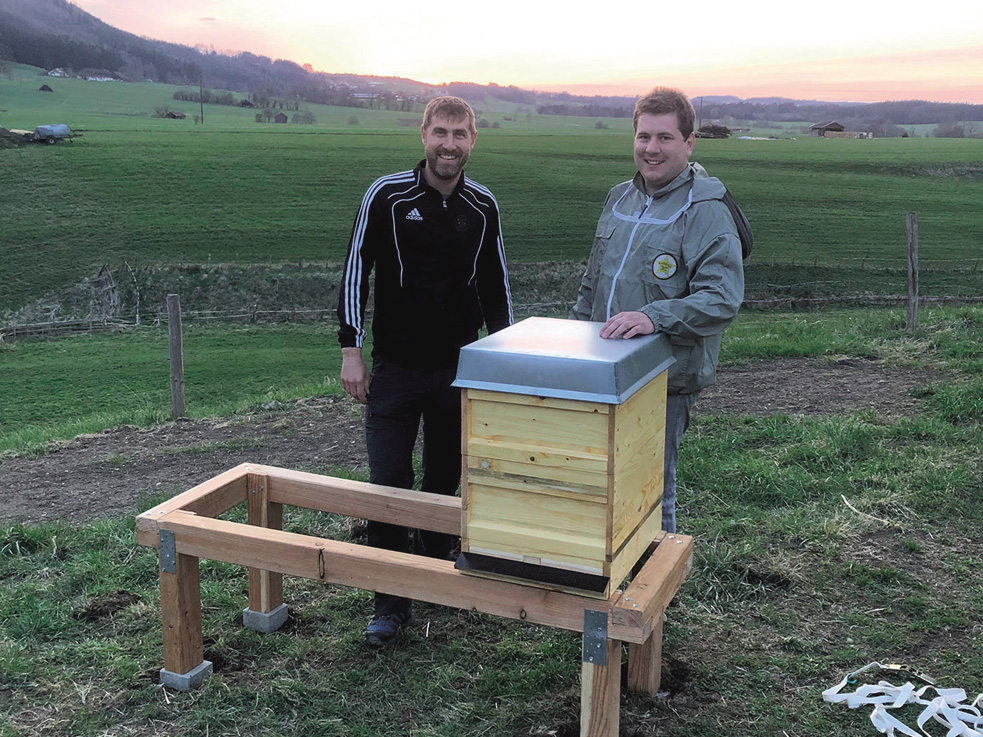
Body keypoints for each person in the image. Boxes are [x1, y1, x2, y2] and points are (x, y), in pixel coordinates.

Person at [337, 96, 513, 646]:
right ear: (423, 134)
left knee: (443, 480)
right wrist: (351, 350)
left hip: (458, 370)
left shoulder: (482, 207)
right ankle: (389, 602)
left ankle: (435, 574)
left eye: (460, 134)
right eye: (441, 132)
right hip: (394, 370)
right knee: (388, 485)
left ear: (473, 141)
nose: (449, 144)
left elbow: (496, 290)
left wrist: (504, 360)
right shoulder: (387, 196)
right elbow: (353, 273)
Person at [571, 86, 744, 534]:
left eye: (665, 138)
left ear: (689, 143)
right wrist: (572, 346)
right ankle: (601, 584)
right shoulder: (618, 199)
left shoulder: (704, 210)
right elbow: (592, 284)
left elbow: (721, 297)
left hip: (661, 380)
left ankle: (650, 595)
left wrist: (654, 316)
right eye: (644, 137)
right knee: (596, 481)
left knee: (648, 489)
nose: (652, 149)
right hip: (601, 373)